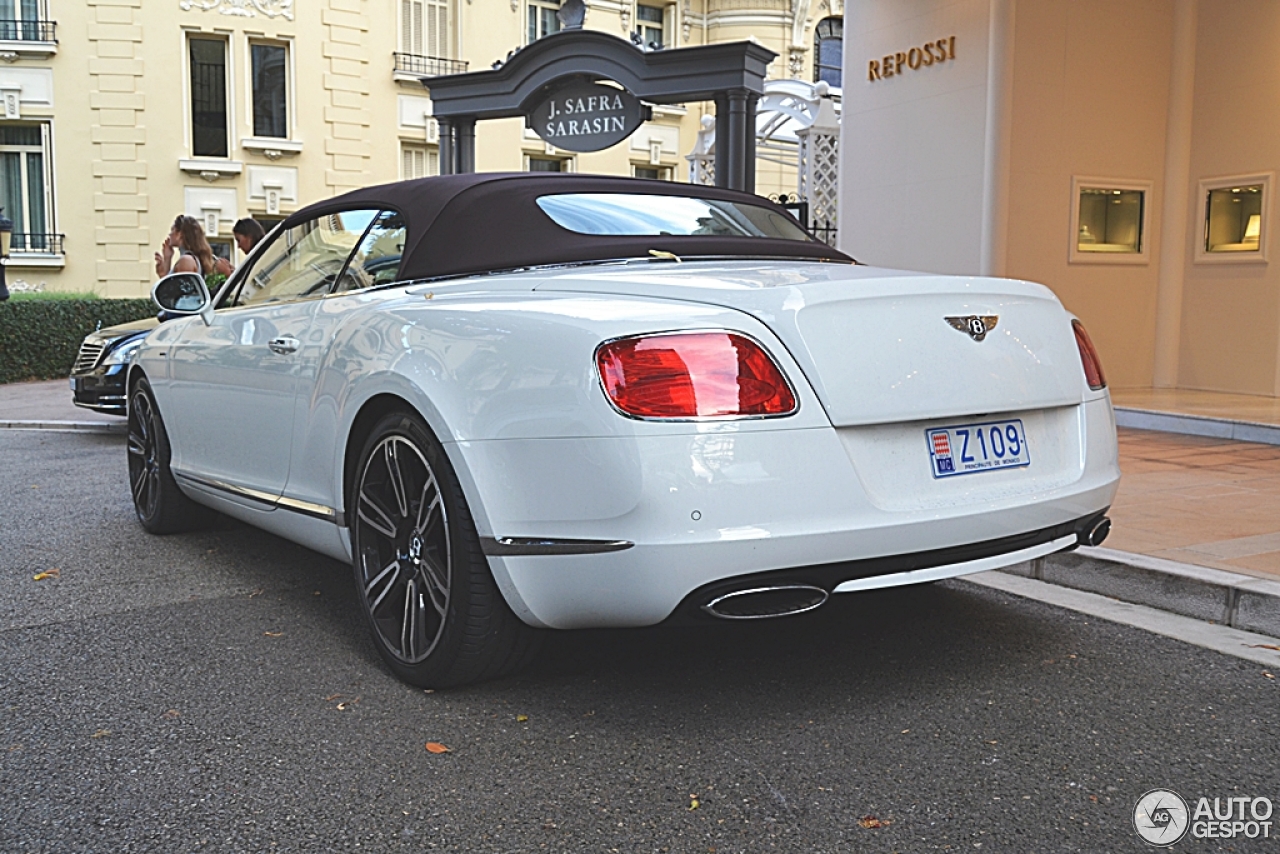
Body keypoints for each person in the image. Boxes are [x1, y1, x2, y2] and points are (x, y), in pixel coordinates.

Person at [154, 215, 222, 279]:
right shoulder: (190, 259)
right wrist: (167, 259)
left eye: (172, 230)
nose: (170, 234)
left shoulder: (186, 260)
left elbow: (179, 290)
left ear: (180, 234)